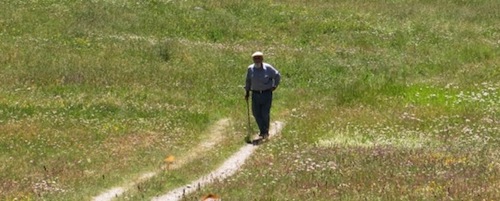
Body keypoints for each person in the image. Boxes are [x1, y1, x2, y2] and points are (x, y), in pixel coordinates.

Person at [245, 51, 281, 139]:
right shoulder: (250, 69)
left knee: (265, 113)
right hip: (255, 94)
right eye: (255, 58)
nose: (257, 60)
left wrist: (275, 86)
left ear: (262, 59)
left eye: (258, 58)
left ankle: (265, 131)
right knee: (256, 113)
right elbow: (248, 81)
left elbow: (277, 76)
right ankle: (262, 130)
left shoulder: (268, 68)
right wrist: (247, 92)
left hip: (266, 93)